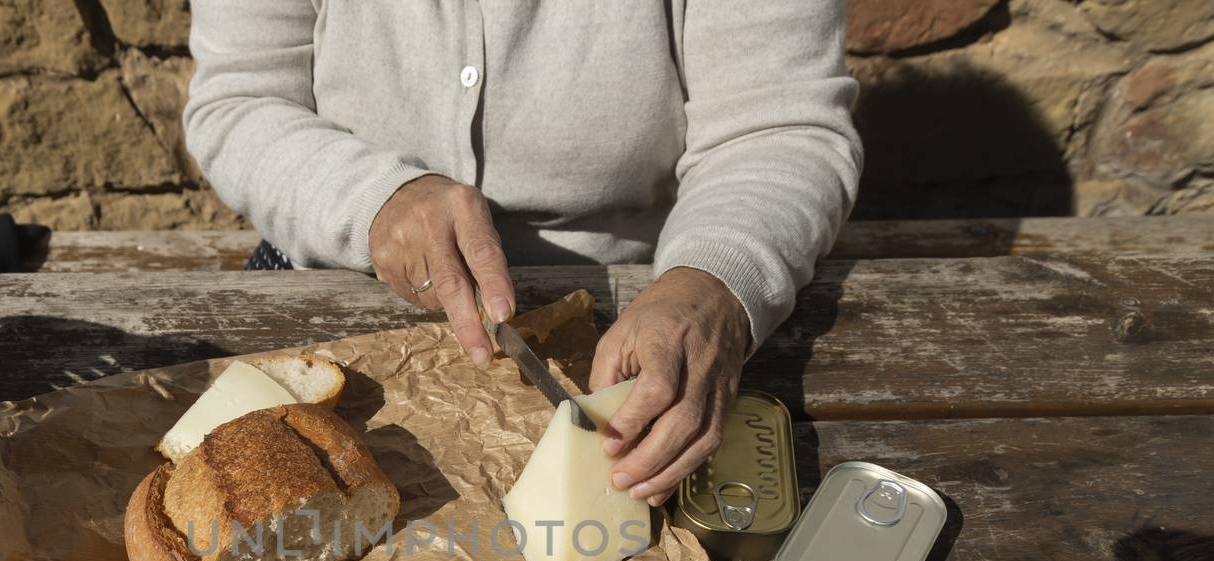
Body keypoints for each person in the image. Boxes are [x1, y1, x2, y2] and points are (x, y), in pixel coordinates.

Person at [184, 2, 861, 506]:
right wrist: (373, 201)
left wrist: (711, 281)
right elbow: (241, 100)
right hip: (337, 275)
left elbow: (779, 128)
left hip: (643, 314)